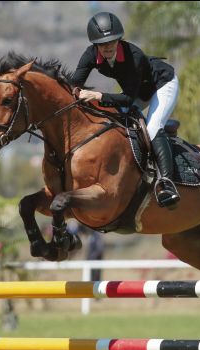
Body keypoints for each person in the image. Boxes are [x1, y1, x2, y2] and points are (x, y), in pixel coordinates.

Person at [71, 11, 181, 210]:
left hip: (163, 84)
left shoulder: (134, 55)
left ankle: (167, 183)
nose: (108, 47)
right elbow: (74, 84)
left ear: (119, 39)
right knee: (117, 121)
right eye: (103, 44)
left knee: (153, 127)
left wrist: (99, 96)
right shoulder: (90, 55)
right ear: (95, 44)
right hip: (138, 89)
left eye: (112, 41)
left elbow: (128, 98)